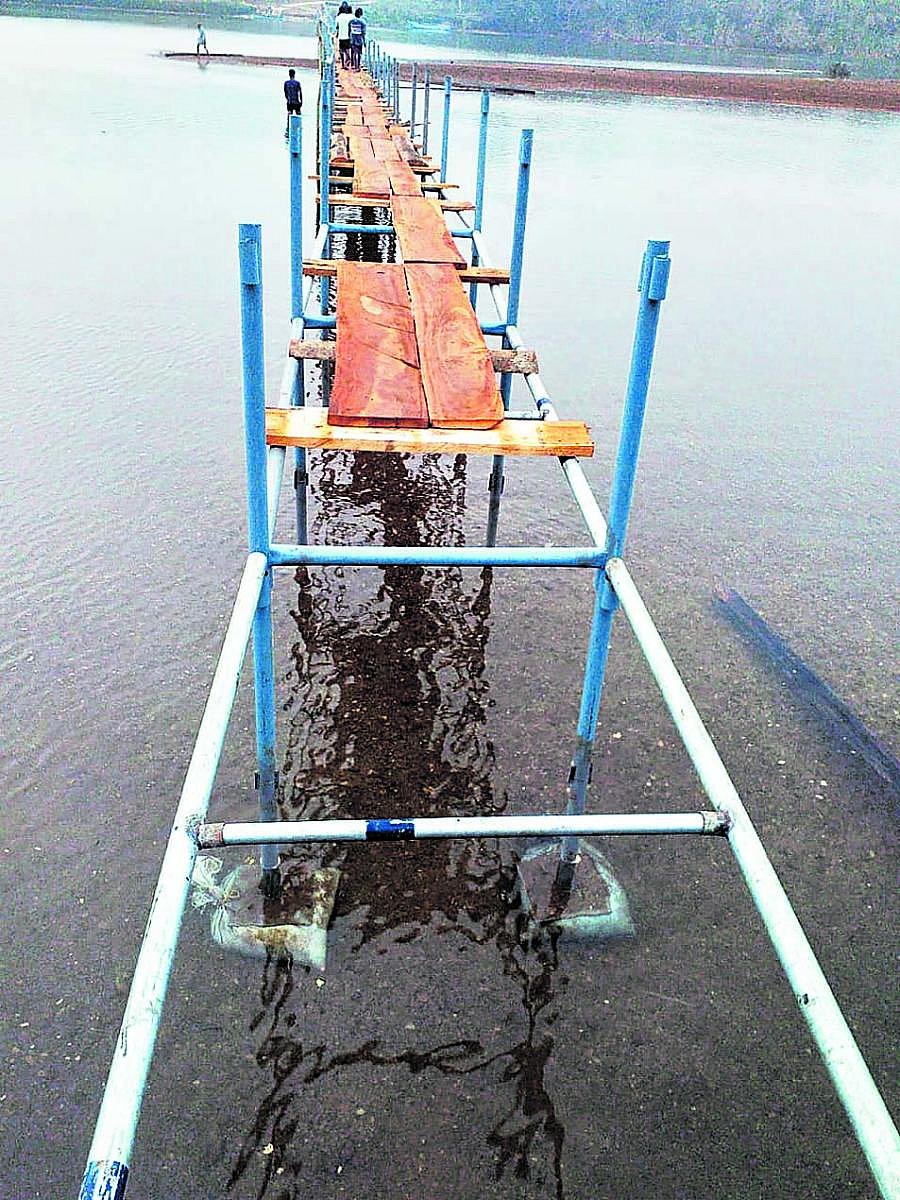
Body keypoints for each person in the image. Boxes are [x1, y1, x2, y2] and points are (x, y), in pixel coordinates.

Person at [284, 68, 302, 137]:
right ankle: (299, 128)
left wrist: (288, 100)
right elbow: (300, 93)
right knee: (298, 115)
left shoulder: (286, 83)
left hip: (290, 102)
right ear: (294, 75)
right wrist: (301, 102)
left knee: (289, 115)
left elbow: (285, 93)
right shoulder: (297, 83)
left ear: (289, 75)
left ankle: (289, 128)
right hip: (296, 102)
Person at [335, 2, 353, 69]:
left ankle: (343, 64)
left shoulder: (338, 17)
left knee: (341, 50)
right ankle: (348, 59)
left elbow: (336, 27)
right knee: (347, 49)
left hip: (341, 36)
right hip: (348, 36)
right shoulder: (351, 16)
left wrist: (336, 34)